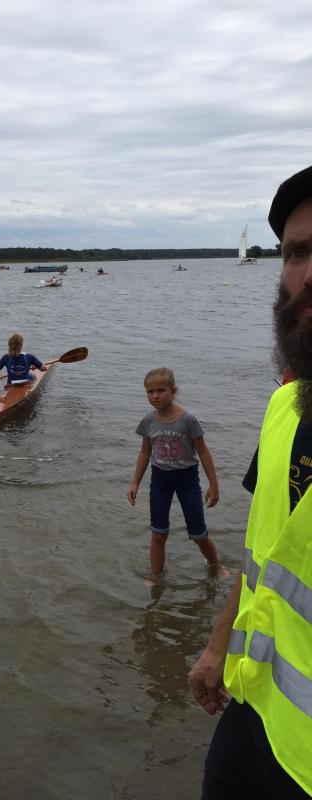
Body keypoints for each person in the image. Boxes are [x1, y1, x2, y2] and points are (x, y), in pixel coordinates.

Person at [188, 165, 312, 799]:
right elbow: (263, 558)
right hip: (251, 715)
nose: (310, 273)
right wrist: (217, 646)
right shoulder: (283, 407)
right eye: (297, 252)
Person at [127, 367, 220, 575]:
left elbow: (203, 452)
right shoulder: (148, 421)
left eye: (161, 390)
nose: (155, 396)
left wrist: (214, 484)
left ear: (173, 391)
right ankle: (156, 579)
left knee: (198, 534)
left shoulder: (188, 420)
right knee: (158, 533)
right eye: (150, 392)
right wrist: (135, 482)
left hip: (187, 479)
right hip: (160, 479)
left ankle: (216, 566)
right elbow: (145, 453)